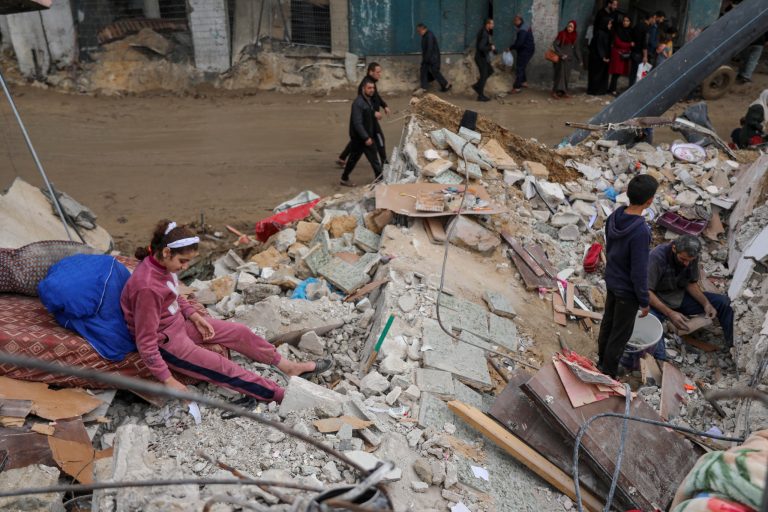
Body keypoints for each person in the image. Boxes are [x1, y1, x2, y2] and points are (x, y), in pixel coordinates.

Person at [121, 221, 332, 402]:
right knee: (222, 366)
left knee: (240, 333)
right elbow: (146, 342)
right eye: (182, 261)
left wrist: (194, 316)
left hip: (179, 324)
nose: (185, 267)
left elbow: (173, 295)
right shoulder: (147, 287)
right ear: (166, 252)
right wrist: (168, 379)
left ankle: (288, 366)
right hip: (167, 342)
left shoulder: (165, 267)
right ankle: (278, 395)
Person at [597, 174, 659, 378]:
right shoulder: (640, 230)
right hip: (627, 291)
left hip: (613, 280)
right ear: (649, 201)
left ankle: (601, 361)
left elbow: (611, 246)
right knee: (620, 334)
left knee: (608, 322)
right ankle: (608, 372)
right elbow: (639, 270)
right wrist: (644, 300)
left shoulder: (616, 215)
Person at [647, 236, 734, 358]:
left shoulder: (692, 257)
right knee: (655, 339)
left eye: (690, 260)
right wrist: (670, 313)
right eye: (683, 259)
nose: (686, 263)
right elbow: (647, 292)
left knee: (723, 302)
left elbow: (690, 284)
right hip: (656, 301)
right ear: (674, 248)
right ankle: (660, 363)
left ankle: (732, 348)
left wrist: (706, 304)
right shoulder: (657, 257)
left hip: (678, 297)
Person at [337, 62, 390, 168]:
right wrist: (373, 112)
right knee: (379, 139)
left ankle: (342, 157)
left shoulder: (371, 83)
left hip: (370, 118)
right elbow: (363, 104)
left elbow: (376, 97)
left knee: (358, 140)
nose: (380, 74)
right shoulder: (365, 85)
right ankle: (385, 163)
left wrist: (384, 106)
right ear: (371, 72)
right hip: (368, 118)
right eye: (378, 72)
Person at [340, 78, 382, 186]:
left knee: (356, 159)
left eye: (373, 88)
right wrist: (366, 137)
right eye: (369, 88)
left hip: (365, 137)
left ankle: (344, 178)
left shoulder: (368, 100)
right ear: (363, 89)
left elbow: (367, 113)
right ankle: (380, 179)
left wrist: (374, 114)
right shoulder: (358, 103)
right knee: (370, 160)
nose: (372, 90)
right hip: (361, 138)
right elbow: (357, 123)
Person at [416, 23, 451, 93]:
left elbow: (429, 49)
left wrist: (426, 59)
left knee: (433, 72)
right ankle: (424, 87)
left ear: (424, 29)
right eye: (418, 31)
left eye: (419, 31)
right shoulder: (426, 35)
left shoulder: (429, 36)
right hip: (430, 57)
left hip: (432, 58)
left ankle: (445, 85)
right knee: (425, 70)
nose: (419, 33)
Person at [551, 20, 581, 99]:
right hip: (561, 58)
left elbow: (576, 49)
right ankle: (554, 92)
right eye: (569, 26)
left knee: (566, 76)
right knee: (560, 75)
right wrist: (561, 54)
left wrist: (580, 60)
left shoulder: (575, 35)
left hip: (569, 59)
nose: (570, 28)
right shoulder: (562, 34)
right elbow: (555, 44)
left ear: (574, 28)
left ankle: (563, 92)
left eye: (572, 27)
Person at [607, 15, 634, 96]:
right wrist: (629, 44)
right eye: (624, 21)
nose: (625, 22)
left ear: (630, 22)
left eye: (627, 21)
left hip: (624, 55)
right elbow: (617, 43)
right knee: (616, 73)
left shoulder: (630, 31)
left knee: (618, 73)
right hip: (618, 54)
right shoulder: (618, 30)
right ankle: (612, 90)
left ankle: (612, 88)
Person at [508, 14, 535, 93]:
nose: (514, 22)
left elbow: (519, 43)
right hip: (528, 49)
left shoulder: (523, 29)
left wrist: (511, 47)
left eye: (515, 21)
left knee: (519, 68)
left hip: (526, 51)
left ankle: (517, 88)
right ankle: (524, 82)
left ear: (519, 20)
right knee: (522, 66)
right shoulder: (524, 27)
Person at [472, 18, 495, 102]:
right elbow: (481, 47)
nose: (493, 25)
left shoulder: (484, 31)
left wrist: (490, 46)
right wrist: (490, 47)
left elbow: (483, 44)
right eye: (492, 24)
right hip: (481, 57)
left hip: (482, 57)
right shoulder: (484, 33)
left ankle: (477, 86)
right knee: (484, 75)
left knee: (490, 71)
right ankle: (480, 96)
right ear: (487, 24)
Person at [587, 18, 612, 95]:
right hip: (597, 59)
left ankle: (600, 90)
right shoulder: (600, 33)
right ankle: (595, 91)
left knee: (601, 75)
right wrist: (603, 57)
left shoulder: (605, 33)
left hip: (601, 58)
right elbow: (599, 46)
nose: (610, 25)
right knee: (596, 75)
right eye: (609, 24)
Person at [629, 12, 653, 87]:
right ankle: (635, 89)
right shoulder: (646, 28)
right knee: (639, 73)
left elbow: (631, 36)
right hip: (640, 54)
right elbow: (645, 44)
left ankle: (629, 88)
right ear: (650, 18)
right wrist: (645, 56)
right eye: (653, 19)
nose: (654, 21)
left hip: (633, 52)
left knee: (632, 72)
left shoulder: (638, 25)